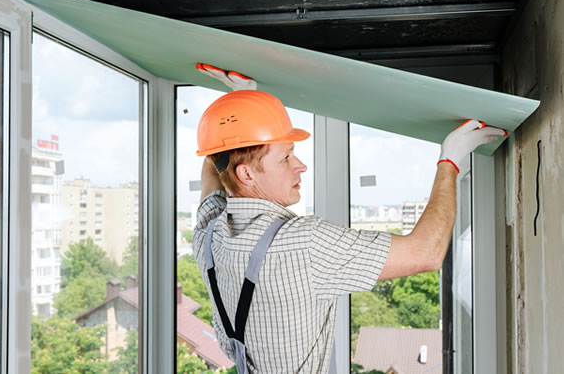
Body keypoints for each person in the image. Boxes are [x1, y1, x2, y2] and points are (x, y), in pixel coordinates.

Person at [192, 90, 505, 373]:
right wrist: (450, 159)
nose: (300, 165)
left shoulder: (208, 236)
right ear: (246, 174)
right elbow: (426, 253)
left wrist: (238, 109)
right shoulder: (302, 244)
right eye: (286, 157)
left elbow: (215, 167)